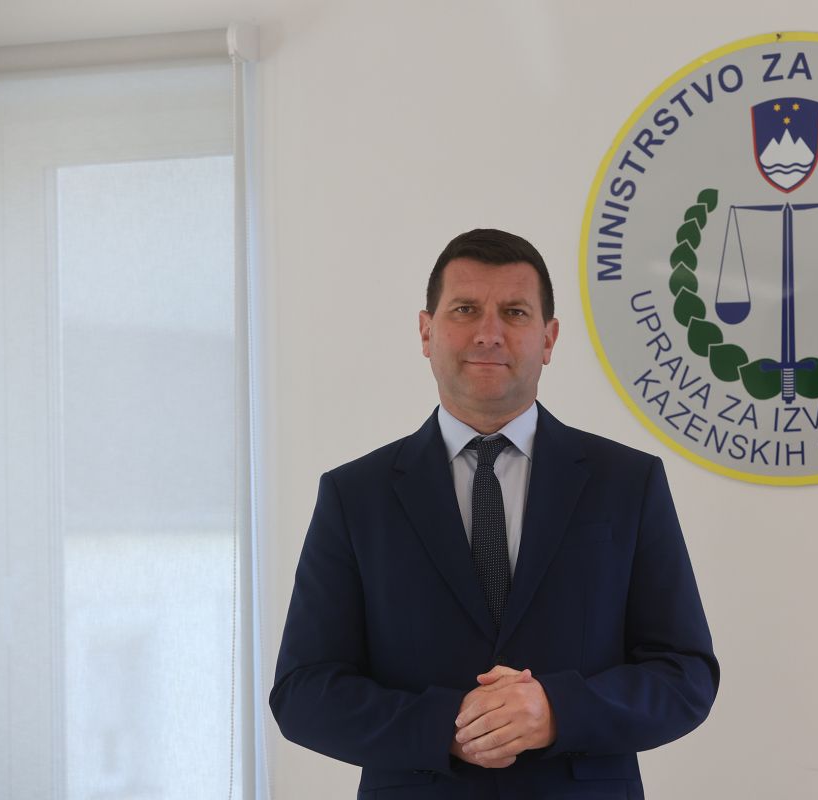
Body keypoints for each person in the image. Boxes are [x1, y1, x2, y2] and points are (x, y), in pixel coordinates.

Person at [270, 229, 719, 798]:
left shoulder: (629, 483)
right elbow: (304, 692)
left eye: (514, 312)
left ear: (548, 338)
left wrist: (556, 710)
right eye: (465, 310)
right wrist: (448, 727)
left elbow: (686, 675)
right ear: (427, 332)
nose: (489, 333)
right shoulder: (354, 495)